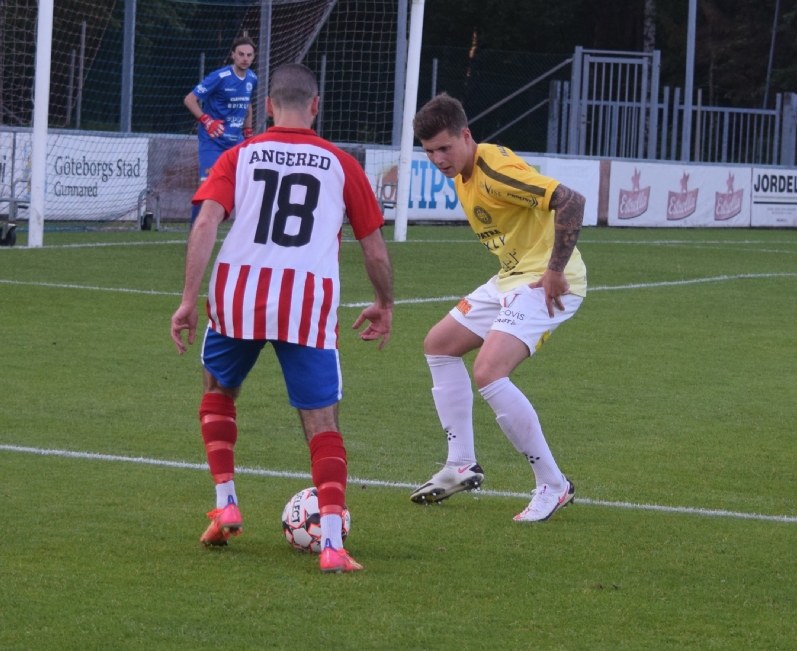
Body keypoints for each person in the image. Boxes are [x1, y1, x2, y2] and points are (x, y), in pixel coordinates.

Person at [170, 64, 394, 573]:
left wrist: (187, 298)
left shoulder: (238, 155)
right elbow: (374, 246)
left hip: (237, 296)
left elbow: (206, 222)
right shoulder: (341, 164)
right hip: (306, 303)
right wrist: (384, 302)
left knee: (218, 389)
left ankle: (226, 502)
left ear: (267, 106)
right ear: (316, 106)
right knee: (321, 421)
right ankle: (332, 544)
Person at [409, 93, 587, 522]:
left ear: (466, 135)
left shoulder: (495, 173)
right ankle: (461, 464)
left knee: (489, 371)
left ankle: (553, 484)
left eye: (444, 148)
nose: (437, 159)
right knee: (439, 344)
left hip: (547, 281)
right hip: (511, 277)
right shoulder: (463, 171)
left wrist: (555, 270)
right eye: (429, 152)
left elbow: (571, 200)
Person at [184, 35, 257, 226]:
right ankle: (195, 233)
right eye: (241, 54)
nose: (245, 58)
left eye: (249, 55)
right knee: (207, 189)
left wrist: (248, 133)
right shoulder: (219, 77)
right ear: (233, 55)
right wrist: (206, 120)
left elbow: (247, 105)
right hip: (213, 141)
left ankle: (246, 233)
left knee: (249, 186)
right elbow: (189, 100)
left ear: (253, 57)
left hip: (236, 142)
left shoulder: (252, 78)